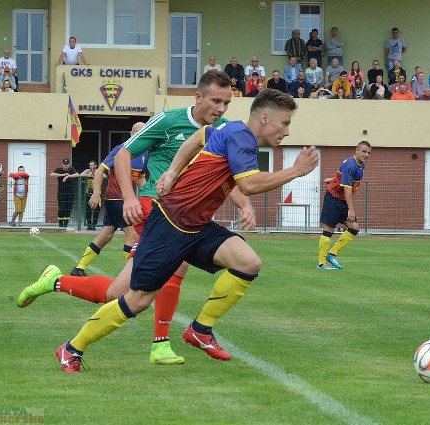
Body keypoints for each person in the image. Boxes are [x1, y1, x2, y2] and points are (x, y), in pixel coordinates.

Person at [52, 89, 319, 372]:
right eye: (285, 124)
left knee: (249, 262)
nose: (287, 132)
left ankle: (200, 330)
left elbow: (198, 137)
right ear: (265, 118)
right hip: (169, 224)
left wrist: (172, 171)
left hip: (196, 225)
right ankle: (71, 348)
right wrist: (296, 171)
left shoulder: (229, 129)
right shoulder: (240, 136)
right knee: (137, 299)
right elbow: (250, 184)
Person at [17, 71, 239, 367]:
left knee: (116, 293)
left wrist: (244, 205)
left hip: (183, 212)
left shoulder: (223, 130)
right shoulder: (169, 120)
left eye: (227, 103)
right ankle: (160, 344)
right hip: (155, 206)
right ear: (198, 97)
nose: (221, 109)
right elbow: (122, 154)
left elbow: (229, 176)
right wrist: (130, 198)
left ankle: (55, 282)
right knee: (178, 264)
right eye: (216, 101)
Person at [71, 123, 148, 277]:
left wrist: (151, 192)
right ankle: (129, 276)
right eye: (138, 132)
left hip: (123, 200)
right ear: (131, 133)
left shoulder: (145, 153)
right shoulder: (121, 149)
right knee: (133, 235)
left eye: (144, 132)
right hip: (116, 198)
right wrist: (96, 192)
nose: (140, 135)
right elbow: (100, 170)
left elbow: (140, 179)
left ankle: (79, 268)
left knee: (106, 235)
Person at [317, 141, 371, 269]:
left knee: (354, 228)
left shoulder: (360, 165)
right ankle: (321, 263)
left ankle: (332, 254)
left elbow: (345, 177)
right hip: (333, 198)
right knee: (329, 229)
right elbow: (347, 189)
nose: (366, 154)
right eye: (363, 151)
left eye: (369, 152)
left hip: (342, 200)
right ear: (357, 151)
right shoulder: (351, 165)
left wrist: (334, 179)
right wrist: (351, 210)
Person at [51, 158, 79, 227]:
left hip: (70, 193)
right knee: (62, 208)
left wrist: (68, 176)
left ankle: (66, 224)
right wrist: (62, 175)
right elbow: (52, 174)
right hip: (61, 193)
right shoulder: (59, 169)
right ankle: (61, 224)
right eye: (64, 164)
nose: (66, 165)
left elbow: (77, 174)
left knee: (68, 209)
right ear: (62, 164)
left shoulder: (71, 169)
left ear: (69, 164)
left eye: (67, 164)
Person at [80, 160, 100, 230]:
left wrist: (96, 175)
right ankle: (89, 224)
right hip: (88, 192)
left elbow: (104, 175)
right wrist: (88, 175)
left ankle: (94, 224)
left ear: (96, 165)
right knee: (87, 209)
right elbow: (80, 174)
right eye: (90, 165)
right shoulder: (87, 170)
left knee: (96, 209)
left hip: (97, 193)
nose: (91, 167)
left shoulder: (98, 170)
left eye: (92, 165)